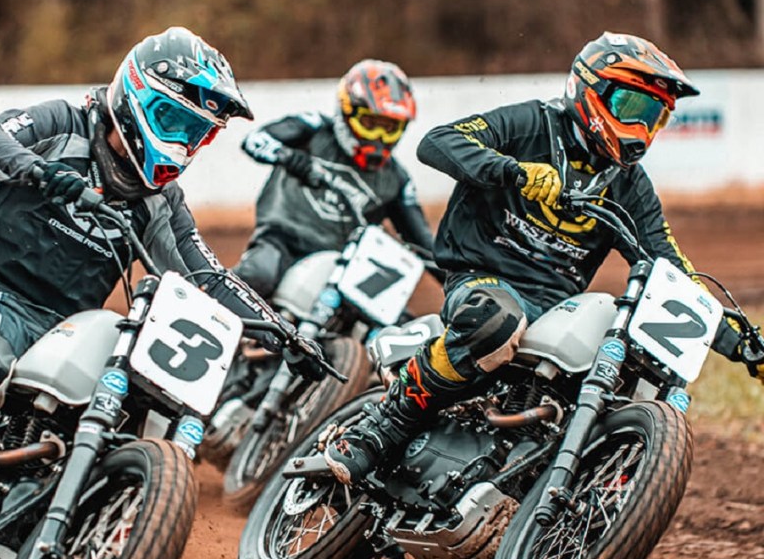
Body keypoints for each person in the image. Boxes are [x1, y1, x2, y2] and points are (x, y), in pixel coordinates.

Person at [0, 27, 325, 533]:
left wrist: (280, 332)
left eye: (195, 133)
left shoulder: (160, 201)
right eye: (173, 121)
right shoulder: (66, 122)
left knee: (131, 409)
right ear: (136, 94)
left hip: (69, 326)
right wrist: (38, 170)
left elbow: (206, 275)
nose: (182, 142)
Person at [324, 31, 764, 485]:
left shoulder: (632, 186)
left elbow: (673, 270)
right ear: (589, 89)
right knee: (497, 320)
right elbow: (438, 141)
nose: (642, 128)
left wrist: (745, 347)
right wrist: (512, 172)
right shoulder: (533, 124)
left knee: (635, 372)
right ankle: (383, 426)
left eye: (655, 117)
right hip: (482, 276)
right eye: (633, 108)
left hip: (554, 307)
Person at [234, 59, 438, 299]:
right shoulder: (314, 128)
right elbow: (254, 140)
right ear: (346, 111)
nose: (379, 138)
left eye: (390, 128)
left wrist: (464, 284)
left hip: (344, 266)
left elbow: (425, 246)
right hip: (282, 242)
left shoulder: (398, 180)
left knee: (393, 320)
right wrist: (288, 157)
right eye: (370, 124)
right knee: (257, 275)